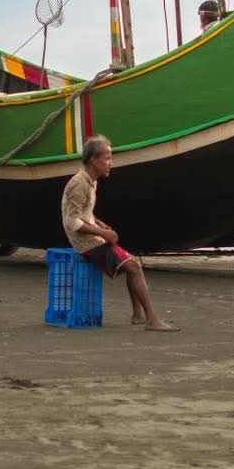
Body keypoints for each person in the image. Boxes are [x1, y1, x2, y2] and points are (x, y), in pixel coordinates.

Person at [61, 135, 177, 332]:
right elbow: (71, 221)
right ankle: (151, 319)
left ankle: (138, 314)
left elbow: (84, 212)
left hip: (92, 236)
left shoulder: (91, 181)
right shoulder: (79, 183)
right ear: (93, 160)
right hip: (85, 243)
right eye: (106, 158)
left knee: (132, 264)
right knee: (133, 267)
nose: (110, 163)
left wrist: (98, 222)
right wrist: (101, 233)